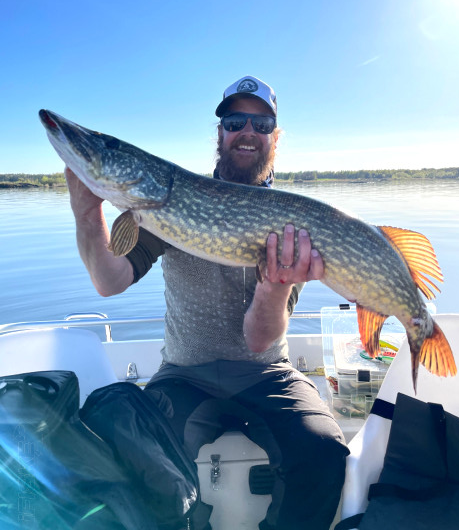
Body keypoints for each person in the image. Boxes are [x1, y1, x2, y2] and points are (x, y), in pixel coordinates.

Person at [66, 76, 349, 530]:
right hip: (184, 374)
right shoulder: (166, 200)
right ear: (220, 133)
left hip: (265, 373)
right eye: (235, 122)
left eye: (261, 124)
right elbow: (108, 281)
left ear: (275, 138)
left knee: (323, 452)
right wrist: (86, 212)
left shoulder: (291, 226)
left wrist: (275, 285)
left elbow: (259, 340)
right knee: (135, 454)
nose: (247, 132)